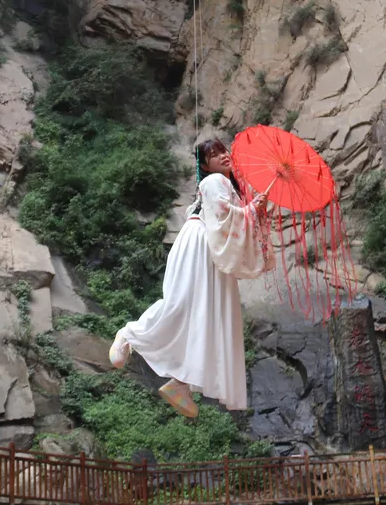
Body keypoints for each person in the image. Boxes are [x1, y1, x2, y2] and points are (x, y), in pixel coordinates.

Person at [108, 138, 275, 418]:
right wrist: (250, 211)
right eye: (215, 154)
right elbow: (223, 215)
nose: (224, 156)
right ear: (203, 164)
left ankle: (181, 384)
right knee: (182, 305)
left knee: (205, 319)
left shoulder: (225, 187)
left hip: (211, 252)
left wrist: (253, 210)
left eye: (223, 150)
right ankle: (128, 334)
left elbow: (231, 219)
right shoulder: (213, 182)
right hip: (200, 243)